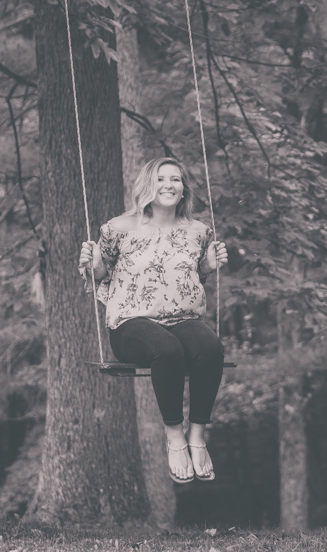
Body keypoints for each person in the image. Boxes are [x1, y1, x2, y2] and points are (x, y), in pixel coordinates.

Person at [78, 157, 228, 483]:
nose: (169, 185)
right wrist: (92, 264)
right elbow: (102, 275)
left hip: (182, 317)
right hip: (131, 323)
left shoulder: (198, 232)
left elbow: (192, 276)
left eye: (175, 179)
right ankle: (175, 438)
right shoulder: (119, 228)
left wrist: (210, 266)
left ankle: (197, 436)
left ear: (183, 188)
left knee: (211, 348)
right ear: (149, 185)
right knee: (167, 349)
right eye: (161, 179)